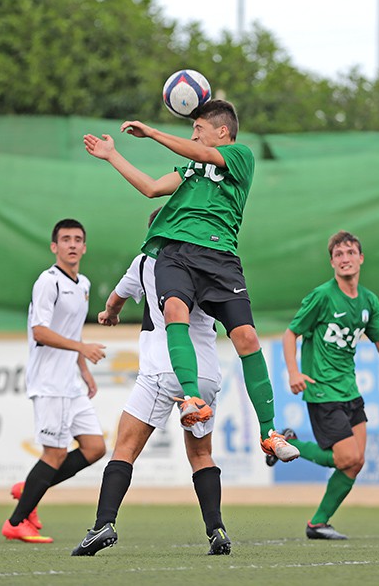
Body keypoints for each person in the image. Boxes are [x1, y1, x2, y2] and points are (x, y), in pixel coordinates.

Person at [82, 99, 298, 463]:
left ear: (222, 131)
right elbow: (150, 188)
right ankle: (191, 398)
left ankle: (269, 432)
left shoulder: (240, 156)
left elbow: (205, 154)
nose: (194, 135)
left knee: (246, 336)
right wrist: (111, 156)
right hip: (177, 253)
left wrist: (151, 132)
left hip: (220, 257)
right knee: (176, 312)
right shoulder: (190, 169)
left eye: (199, 129)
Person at [72, 209, 231, 557]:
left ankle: (103, 525)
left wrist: (109, 314)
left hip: (163, 368)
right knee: (202, 454)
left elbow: (116, 299)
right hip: (205, 373)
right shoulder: (211, 259)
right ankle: (216, 529)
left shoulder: (146, 260)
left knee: (125, 447)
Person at [278, 231, 379, 540]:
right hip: (321, 390)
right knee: (346, 458)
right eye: (338, 254)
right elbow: (291, 334)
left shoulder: (368, 300)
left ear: (360, 258)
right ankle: (286, 443)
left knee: (356, 463)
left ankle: (317, 523)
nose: (345, 259)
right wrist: (293, 372)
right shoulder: (322, 296)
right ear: (332, 262)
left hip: (350, 391)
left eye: (350, 253)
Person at [2, 218, 108, 543]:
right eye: (65, 239)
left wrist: (83, 368)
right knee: (55, 453)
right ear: (54, 246)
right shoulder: (47, 282)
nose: (72, 244)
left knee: (95, 447)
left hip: (70, 382)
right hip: (49, 382)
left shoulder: (84, 283)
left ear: (85, 246)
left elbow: (71, 331)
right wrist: (82, 348)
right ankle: (16, 522)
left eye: (78, 239)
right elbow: (41, 332)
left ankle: (32, 488)